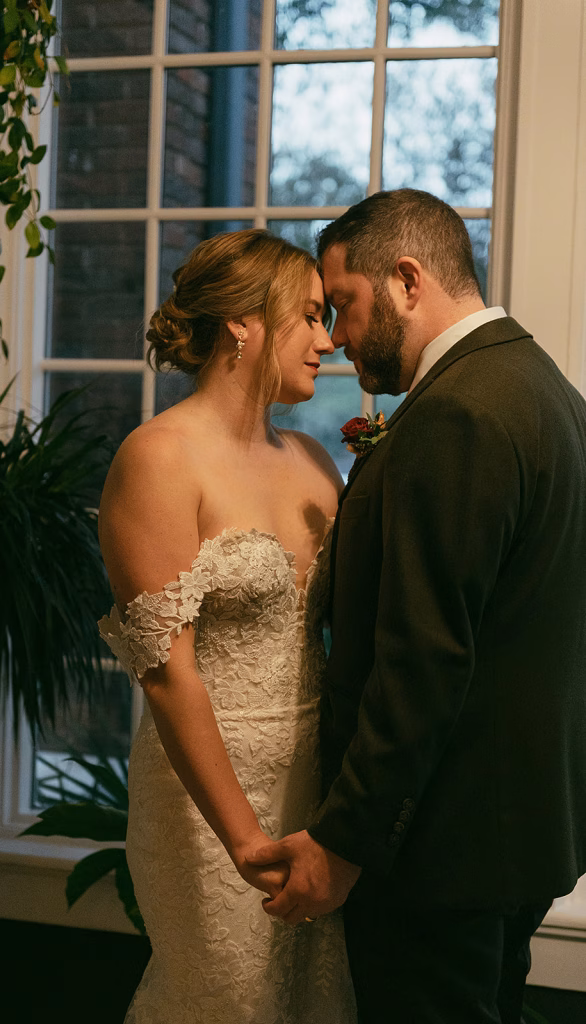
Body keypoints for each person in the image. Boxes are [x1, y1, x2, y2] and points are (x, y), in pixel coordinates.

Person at [248, 189, 586, 1023]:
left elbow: (423, 659)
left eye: (347, 305)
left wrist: (344, 843)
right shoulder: (549, 392)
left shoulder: (459, 413)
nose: (340, 338)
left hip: (443, 850)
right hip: (524, 830)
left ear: (407, 279)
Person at [97, 229, 357, 1023]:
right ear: (243, 321)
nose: (329, 339)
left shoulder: (315, 460)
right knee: (227, 999)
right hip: (208, 804)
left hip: (313, 795)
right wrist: (243, 838)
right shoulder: (160, 458)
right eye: (310, 316)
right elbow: (169, 675)